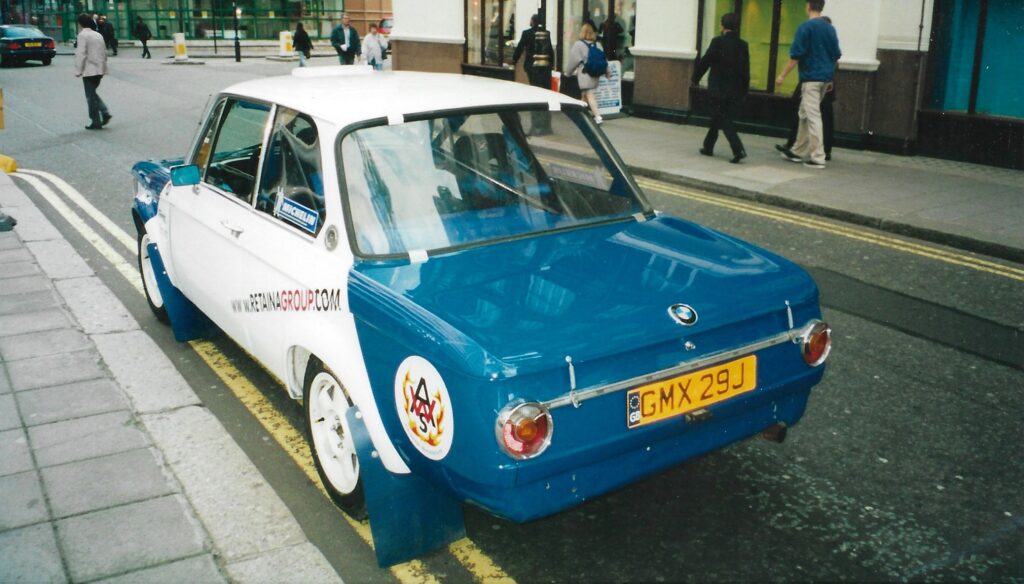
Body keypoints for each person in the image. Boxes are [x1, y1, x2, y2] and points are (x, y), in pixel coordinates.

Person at [775, 0, 841, 169]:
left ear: (809, 6)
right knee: (804, 113)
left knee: (812, 116)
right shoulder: (830, 28)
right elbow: (836, 55)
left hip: (811, 78)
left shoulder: (805, 27)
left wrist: (782, 75)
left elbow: (796, 55)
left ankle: (818, 157)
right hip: (825, 79)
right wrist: (830, 78)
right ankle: (797, 150)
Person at [691, 12, 749, 163]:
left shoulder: (717, 42)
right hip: (734, 90)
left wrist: (695, 79)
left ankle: (738, 149)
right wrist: (744, 91)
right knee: (718, 117)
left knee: (723, 118)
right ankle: (708, 146)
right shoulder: (743, 45)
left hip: (718, 89)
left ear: (723, 26)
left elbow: (705, 61)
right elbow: (745, 71)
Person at [512, 13, 555, 133]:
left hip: (532, 67)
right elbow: (550, 51)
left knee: (535, 93)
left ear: (532, 21)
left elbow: (520, 47)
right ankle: (546, 125)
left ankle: (536, 125)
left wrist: (514, 60)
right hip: (545, 68)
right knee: (546, 95)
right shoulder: (546, 33)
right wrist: (551, 65)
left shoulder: (527, 33)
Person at [566, 22, 611, 124]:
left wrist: (568, 73)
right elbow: (604, 60)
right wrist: (608, 72)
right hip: (595, 74)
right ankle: (582, 115)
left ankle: (598, 117)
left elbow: (573, 61)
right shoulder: (598, 44)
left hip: (585, 74)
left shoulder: (579, 44)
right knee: (584, 94)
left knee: (590, 95)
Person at [74, 13, 110, 130]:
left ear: (80, 24)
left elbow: (81, 54)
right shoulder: (98, 35)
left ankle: (97, 119)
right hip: (99, 69)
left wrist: (78, 70)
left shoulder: (82, 35)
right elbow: (104, 51)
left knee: (90, 96)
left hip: (89, 70)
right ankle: (103, 113)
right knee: (92, 94)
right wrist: (103, 66)